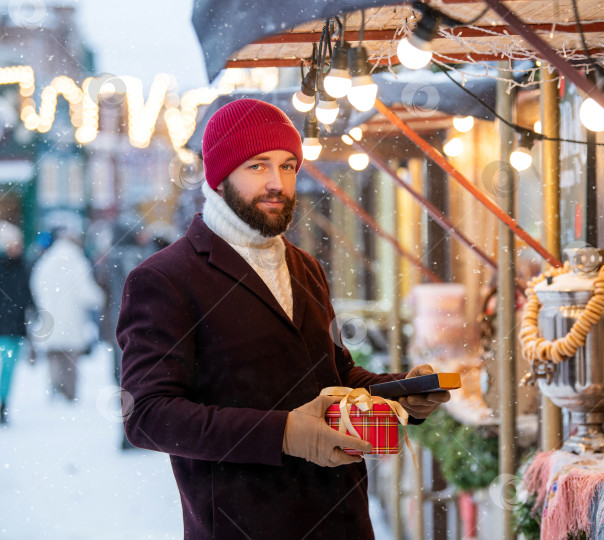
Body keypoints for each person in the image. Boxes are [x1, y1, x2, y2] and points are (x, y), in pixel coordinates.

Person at [117, 99, 450, 539]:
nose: (278, 183)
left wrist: (400, 392)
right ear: (219, 176)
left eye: (289, 166)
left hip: (342, 521)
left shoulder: (304, 266)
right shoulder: (165, 278)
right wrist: (283, 433)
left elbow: (336, 374)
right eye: (258, 166)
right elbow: (148, 414)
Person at [30, 225, 105, 402]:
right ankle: (69, 392)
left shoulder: (46, 261)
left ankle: (55, 386)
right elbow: (85, 291)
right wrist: (100, 299)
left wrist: (43, 304)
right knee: (71, 357)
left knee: (54, 354)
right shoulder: (77, 261)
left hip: (50, 318)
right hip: (72, 318)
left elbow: (36, 285)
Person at [0, 221, 34, 423]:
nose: (18, 248)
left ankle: (4, 403)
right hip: (6, 326)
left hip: (14, 327)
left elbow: (26, 294)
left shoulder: (22, 266)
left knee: (9, 370)